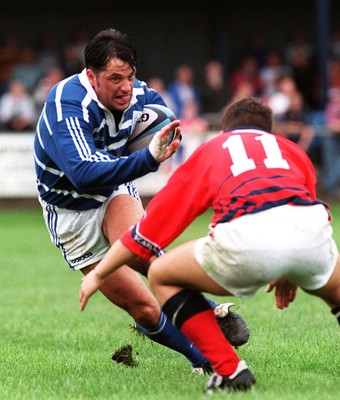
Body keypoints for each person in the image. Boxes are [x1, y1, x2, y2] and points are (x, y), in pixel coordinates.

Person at [79, 97, 340, 393]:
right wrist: (289, 271)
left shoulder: (213, 149)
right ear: (270, 132)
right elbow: (302, 209)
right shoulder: (292, 151)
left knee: (162, 274)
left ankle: (229, 370)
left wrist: (99, 274)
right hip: (312, 235)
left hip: (247, 240)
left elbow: (147, 233)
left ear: (223, 132)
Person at [33, 28, 215, 373]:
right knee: (144, 307)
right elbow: (83, 173)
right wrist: (147, 158)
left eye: (130, 76)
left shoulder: (136, 93)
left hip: (113, 189)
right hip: (71, 211)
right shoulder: (67, 103)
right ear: (91, 76)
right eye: (114, 78)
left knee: (142, 252)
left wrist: (165, 133)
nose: (125, 87)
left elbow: (162, 117)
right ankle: (199, 357)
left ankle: (211, 333)